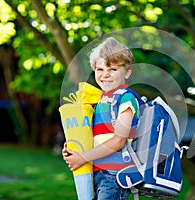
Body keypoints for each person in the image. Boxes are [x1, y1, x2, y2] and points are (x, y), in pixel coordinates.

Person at [62, 37, 140, 200]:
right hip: (96, 172)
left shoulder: (126, 99)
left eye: (112, 69)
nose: (105, 75)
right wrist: (74, 151)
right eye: (100, 69)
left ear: (127, 72)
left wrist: (82, 158)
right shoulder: (100, 102)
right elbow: (93, 137)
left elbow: (119, 140)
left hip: (114, 175)